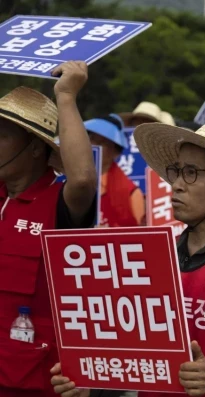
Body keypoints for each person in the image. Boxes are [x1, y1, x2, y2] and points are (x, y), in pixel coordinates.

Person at [51, 118, 205, 397]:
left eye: (192, 173)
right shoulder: (158, 254)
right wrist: (93, 386)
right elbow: (138, 352)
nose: (175, 184)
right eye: (176, 171)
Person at [0, 61, 97, 396]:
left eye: (3, 135)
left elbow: (83, 179)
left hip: (38, 381)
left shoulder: (59, 202)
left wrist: (66, 96)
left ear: (36, 149)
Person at [85, 114, 144, 227]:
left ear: (116, 152)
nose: (93, 146)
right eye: (91, 139)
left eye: (102, 143)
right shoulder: (68, 180)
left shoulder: (132, 194)